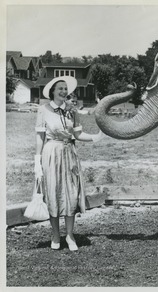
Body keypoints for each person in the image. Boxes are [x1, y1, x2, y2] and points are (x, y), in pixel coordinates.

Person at [34, 76, 104, 251]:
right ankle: (56, 235)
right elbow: (40, 137)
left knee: (71, 194)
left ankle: (70, 236)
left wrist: (96, 137)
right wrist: (37, 162)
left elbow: (78, 135)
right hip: (51, 154)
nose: (64, 92)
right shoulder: (43, 110)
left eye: (66, 89)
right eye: (60, 89)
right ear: (52, 91)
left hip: (70, 154)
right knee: (53, 193)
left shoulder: (71, 110)